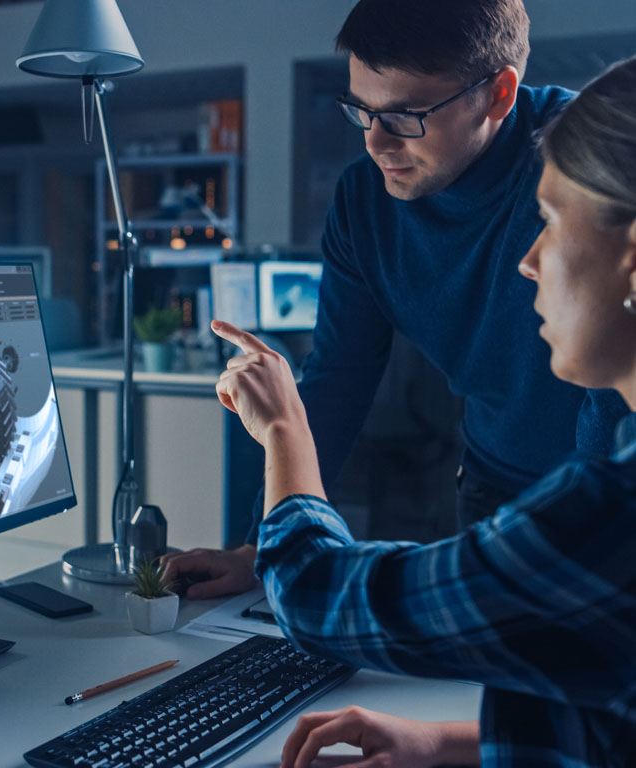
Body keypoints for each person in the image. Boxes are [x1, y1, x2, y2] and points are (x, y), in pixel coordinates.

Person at [211, 55, 636, 768]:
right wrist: (442, 744)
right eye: (362, 111)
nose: (528, 261)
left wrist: (282, 429)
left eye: (552, 221)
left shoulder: (608, 521)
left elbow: (317, 596)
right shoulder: (364, 202)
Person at [164, 0, 629, 600]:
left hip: (607, 481)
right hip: (493, 481)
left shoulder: (582, 167)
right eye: (362, 111)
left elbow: (617, 382)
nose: (377, 143)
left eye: (407, 116)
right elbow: (339, 374)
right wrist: (259, 545)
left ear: (498, 95)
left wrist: (598, 530)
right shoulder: (364, 204)